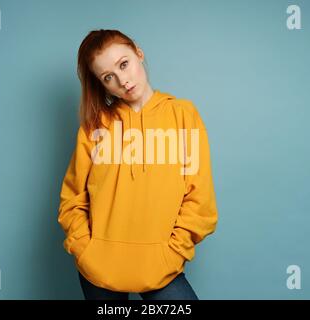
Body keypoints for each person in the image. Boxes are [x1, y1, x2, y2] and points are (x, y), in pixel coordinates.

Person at [58, 29, 218, 300]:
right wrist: (86, 250)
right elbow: (73, 199)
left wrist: (172, 252)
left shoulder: (183, 115)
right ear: (102, 84)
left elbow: (200, 199)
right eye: (108, 77)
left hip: (161, 265)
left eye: (124, 64)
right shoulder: (94, 126)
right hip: (99, 269)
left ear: (138, 53)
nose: (123, 80)